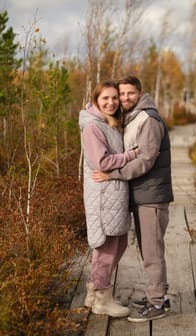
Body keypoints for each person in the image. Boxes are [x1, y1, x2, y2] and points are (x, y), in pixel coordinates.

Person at [92, 75, 174, 322]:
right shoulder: (133, 117)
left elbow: (146, 160)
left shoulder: (148, 119)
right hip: (143, 194)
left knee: (152, 252)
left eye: (130, 93)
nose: (125, 98)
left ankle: (158, 303)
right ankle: (157, 294)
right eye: (122, 94)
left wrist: (113, 174)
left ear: (140, 92)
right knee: (149, 249)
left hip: (151, 195)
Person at [78, 80, 138, 318]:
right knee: (106, 248)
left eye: (115, 98)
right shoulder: (93, 126)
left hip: (114, 194)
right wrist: (131, 155)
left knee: (119, 243)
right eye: (105, 98)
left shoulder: (109, 122)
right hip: (103, 196)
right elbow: (101, 162)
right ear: (96, 100)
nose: (111, 102)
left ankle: (94, 291)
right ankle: (103, 299)